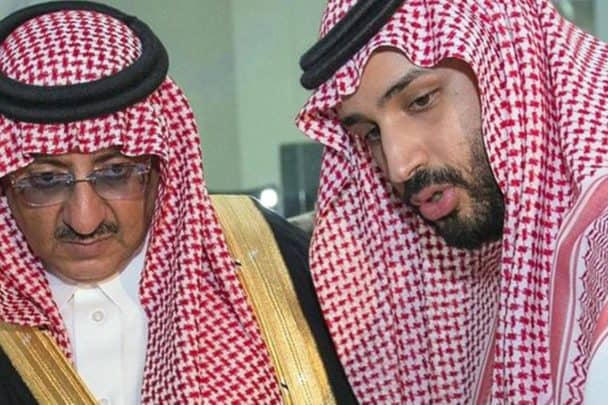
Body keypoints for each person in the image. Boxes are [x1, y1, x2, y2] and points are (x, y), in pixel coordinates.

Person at [0, 1, 356, 404]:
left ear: (162, 168)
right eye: (46, 181)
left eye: (116, 172)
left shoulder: (271, 262)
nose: (85, 219)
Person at [296, 0, 608, 403]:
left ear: (509, 63)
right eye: (371, 133)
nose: (398, 165)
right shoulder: (495, 262)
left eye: (421, 101)